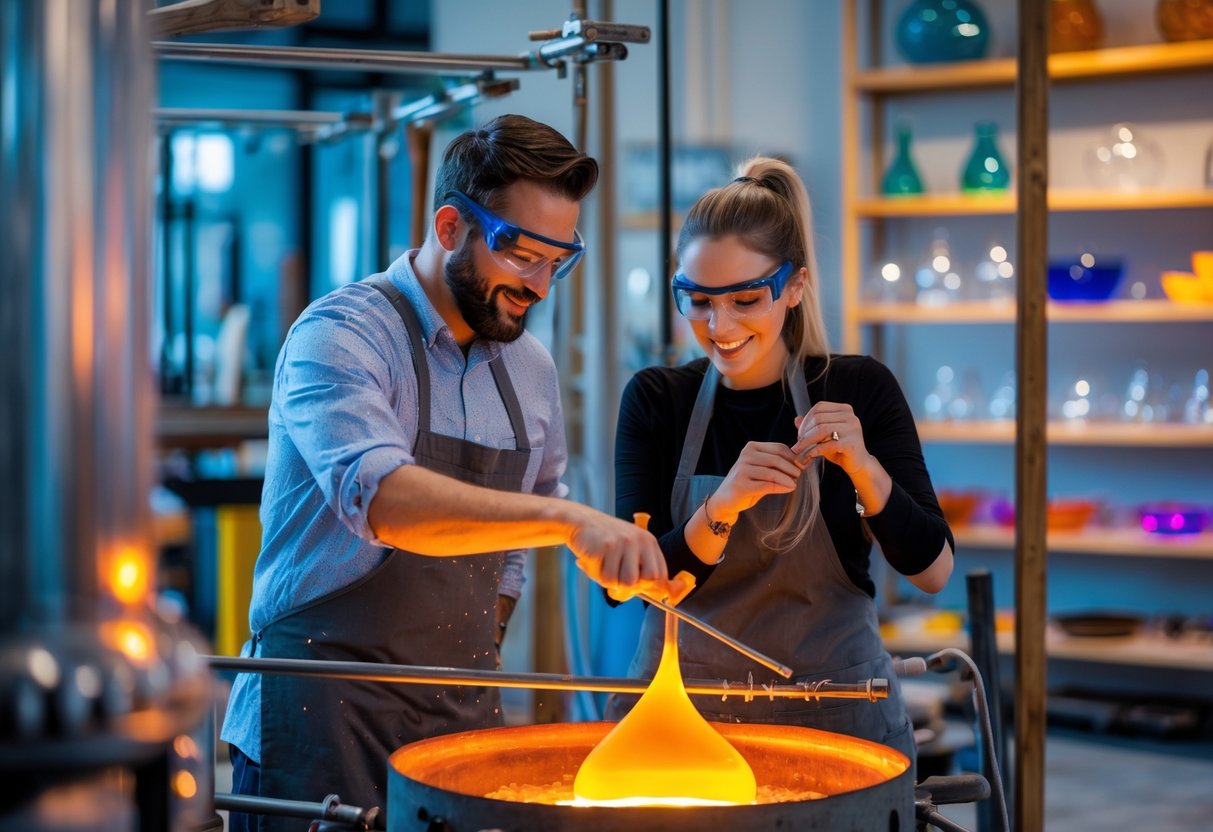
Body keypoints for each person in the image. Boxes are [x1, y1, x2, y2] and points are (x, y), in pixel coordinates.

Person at [221, 114, 680, 830]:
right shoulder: (339, 336)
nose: (539, 285)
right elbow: (385, 501)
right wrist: (570, 521)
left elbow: (508, 560)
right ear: (447, 226)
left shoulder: (530, 371)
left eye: (559, 260)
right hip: (317, 725)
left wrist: (466, 654)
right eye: (521, 253)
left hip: (457, 726)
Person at [606, 157, 954, 766]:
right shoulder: (656, 400)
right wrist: (721, 508)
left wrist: (865, 469)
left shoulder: (858, 388)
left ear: (794, 286)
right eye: (698, 301)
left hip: (839, 720)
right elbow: (631, 589)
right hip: (681, 725)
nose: (721, 326)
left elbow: (933, 573)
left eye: (746, 299)